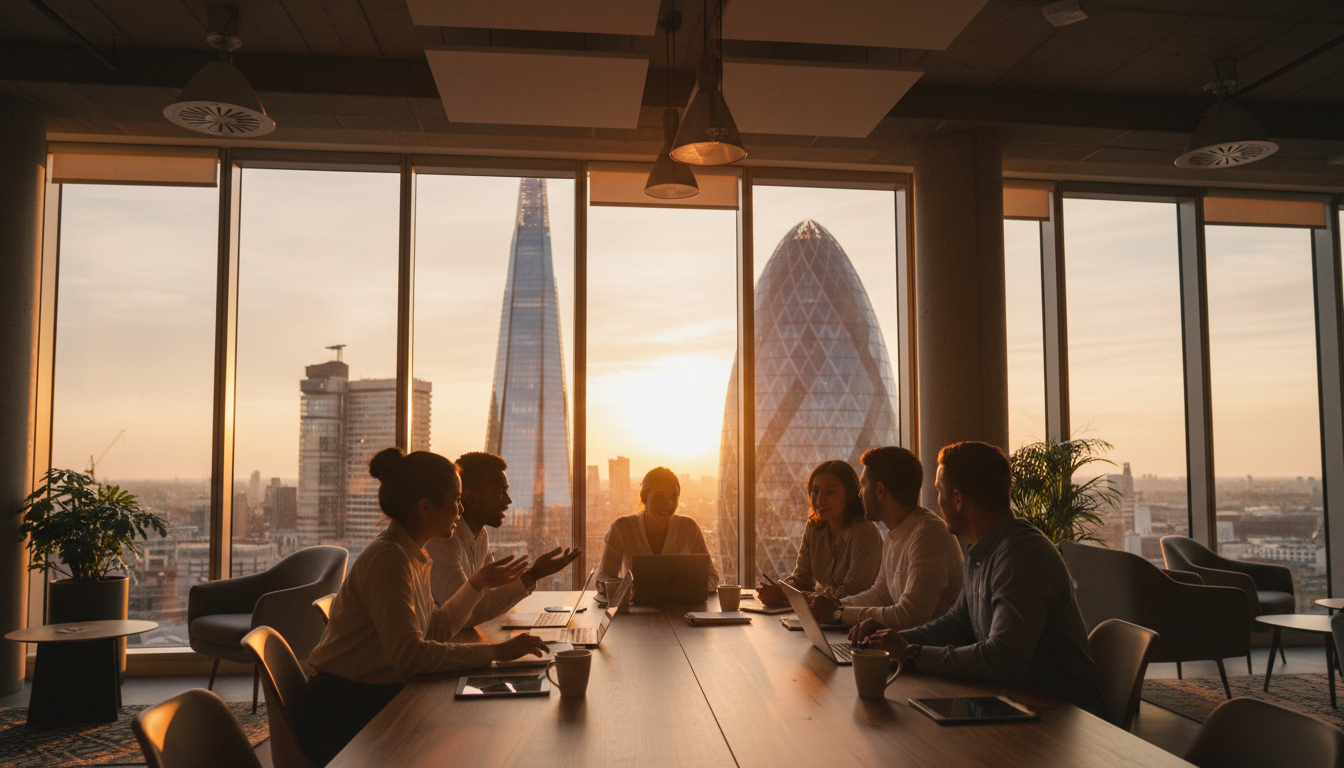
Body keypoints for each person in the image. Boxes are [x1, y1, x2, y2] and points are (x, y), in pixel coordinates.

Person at [295, 447, 549, 766]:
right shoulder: (389, 560)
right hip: (342, 711)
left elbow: (435, 630)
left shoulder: (413, 556)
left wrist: (477, 585)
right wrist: (496, 653)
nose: (461, 509)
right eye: (456, 500)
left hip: (371, 694)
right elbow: (411, 657)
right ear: (426, 507)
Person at [865, 441, 1107, 718]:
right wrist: (891, 640)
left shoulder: (1021, 557)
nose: (936, 502)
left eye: (939, 492)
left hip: (1063, 718)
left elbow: (1003, 660)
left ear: (957, 499)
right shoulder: (982, 549)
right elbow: (958, 623)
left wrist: (911, 653)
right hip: (1017, 702)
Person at [799, 447, 962, 632]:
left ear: (879, 490)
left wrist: (838, 613)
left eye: (863, 486)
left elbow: (910, 615)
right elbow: (881, 594)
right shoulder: (896, 531)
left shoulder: (928, 534)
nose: (859, 494)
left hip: (928, 654)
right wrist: (835, 605)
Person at [426, 452, 580, 625]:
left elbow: (492, 595)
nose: (508, 501)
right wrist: (534, 574)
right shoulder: (443, 541)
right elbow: (468, 615)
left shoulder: (480, 534)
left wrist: (531, 575)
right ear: (470, 498)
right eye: (500, 492)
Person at [755, 460, 881, 608]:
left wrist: (786, 597)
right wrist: (781, 587)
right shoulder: (815, 527)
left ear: (850, 495)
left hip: (857, 619)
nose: (820, 500)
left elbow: (853, 592)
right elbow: (803, 577)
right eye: (815, 491)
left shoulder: (865, 532)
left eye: (831, 492)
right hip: (826, 617)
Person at [597, 466, 719, 595]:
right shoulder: (622, 527)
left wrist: (682, 589)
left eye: (674, 497)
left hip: (679, 610)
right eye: (659, 497)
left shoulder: (689, 528)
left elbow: (711, 577)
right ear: (643, 497)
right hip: (634, 612)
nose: (668, 503)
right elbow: (604, 577)